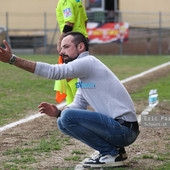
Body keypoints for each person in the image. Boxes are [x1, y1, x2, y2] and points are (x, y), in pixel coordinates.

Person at [0, 32, 139, 168]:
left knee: (67, 116)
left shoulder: (87, 62)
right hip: (121, 131)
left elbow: (55, 72)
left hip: (124, 129)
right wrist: (57, 112)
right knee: (62, 120)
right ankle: (116, 152)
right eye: (61, 48)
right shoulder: (84, 76)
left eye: (66, 47)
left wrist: (13, 60)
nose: (61, 52)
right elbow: (78, 104)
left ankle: (110, 154)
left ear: (80, 47)